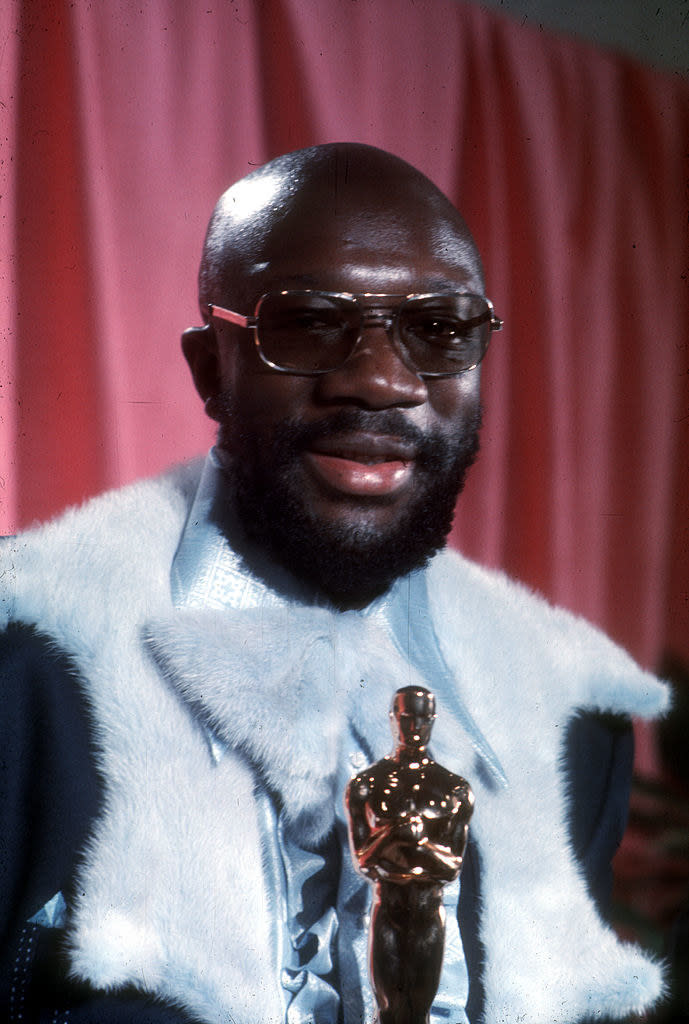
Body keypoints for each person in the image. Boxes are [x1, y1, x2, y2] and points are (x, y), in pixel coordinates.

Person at [0, 143, 668, 1024]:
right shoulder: (23, 656)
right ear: (211, 371)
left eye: (438, 329)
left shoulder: (571, 727)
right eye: (308, 323)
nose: (382, 381)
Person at [346, 685, 474, 1024]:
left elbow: (452, 867)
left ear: (432, 721)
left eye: (421, 720)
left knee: (418, 1010)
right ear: (393, 719)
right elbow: (364, 860)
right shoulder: (368, 785)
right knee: (389, 1009)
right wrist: (394, 834)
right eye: (406, 719)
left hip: (428, 908)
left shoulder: (453, 790)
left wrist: (417, 844)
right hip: (388, 905)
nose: (414, 728)